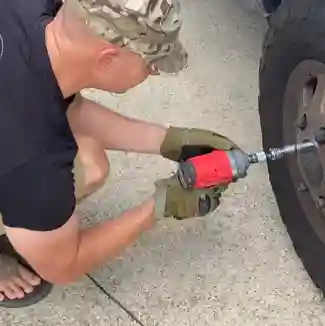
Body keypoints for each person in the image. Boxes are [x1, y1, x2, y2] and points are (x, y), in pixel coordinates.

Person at [0, 0, 239, 307]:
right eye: (150, 63)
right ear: (108, 59)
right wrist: (159, 207)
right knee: (68, 176)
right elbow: (63, 265)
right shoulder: (32, 155)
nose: (153, 73)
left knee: (89, 162)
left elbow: (68, 107)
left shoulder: (31, 9)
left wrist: (171, 140)